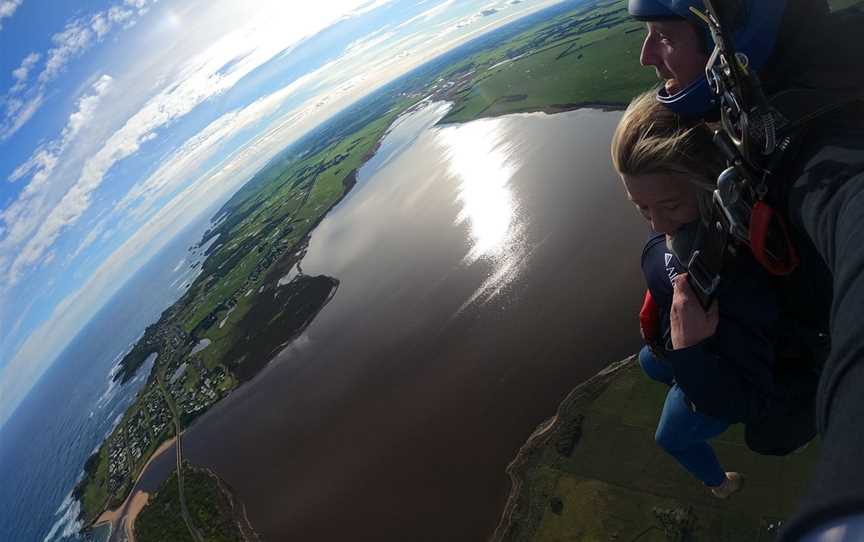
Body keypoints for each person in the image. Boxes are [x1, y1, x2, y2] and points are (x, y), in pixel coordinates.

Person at [627, 0, 864, 539]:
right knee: (649, 361)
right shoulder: (765, 107)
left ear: (729, 34)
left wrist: (843, 520)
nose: (645, 56)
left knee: (673, 429)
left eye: (664, 34)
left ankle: (720, 479)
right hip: (706, 338)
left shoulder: (821, 149)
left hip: (751, 364)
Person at [610, 90, 780, 498]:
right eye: (642, 209)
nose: (656, 225)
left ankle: (719, 485)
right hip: (674, 346)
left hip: (704, 376)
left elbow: (740, 401)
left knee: (669, 438)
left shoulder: (738, 279)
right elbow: (662, 274)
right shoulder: (678, 240)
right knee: (649, 363)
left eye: (669, 205)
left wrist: (689, 352)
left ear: (711, 188)